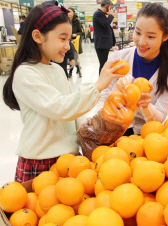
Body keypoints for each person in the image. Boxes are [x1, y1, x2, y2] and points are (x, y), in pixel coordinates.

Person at [2, 3, 125, 183]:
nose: (68, 46)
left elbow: (69, 111)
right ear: (37, 36)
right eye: (62, 38)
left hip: (68, 158)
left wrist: (86, 125)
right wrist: (98, 85)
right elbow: (59, 108)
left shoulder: (57, 70)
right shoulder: (25, 73)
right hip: (41, 159)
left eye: (69, 39)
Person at [95, 3, 168, 136]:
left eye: (151, 36)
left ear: (165, 36)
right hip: (111, 130)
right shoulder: (119, 59)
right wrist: (99, 122)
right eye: (138, 32)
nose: (141, 42)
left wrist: (146, 106)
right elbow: (104, 97)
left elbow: (159, 118)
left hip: (146, 138)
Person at [93, 0, 116, 74]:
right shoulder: (98, 14)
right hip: (101, 44)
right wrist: (111, 15)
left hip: (103, 44)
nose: (111, 10)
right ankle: (101, 82)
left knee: (104, 63)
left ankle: (102, 81)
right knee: (103, 64)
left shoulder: (101, 14)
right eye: (110, 8)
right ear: (107, 6)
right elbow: (105, 24)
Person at [68, 7, 83, 77]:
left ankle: (72, 71)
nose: (69, 13)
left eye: (70, 11)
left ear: (74, 13)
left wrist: (76, 34)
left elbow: (81, 32)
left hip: (74, 41)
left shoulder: (76, 21)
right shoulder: (65, 21)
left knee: (74, 56)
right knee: (70, 56)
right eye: (67, 11)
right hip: (67, 41)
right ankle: (77, 68)